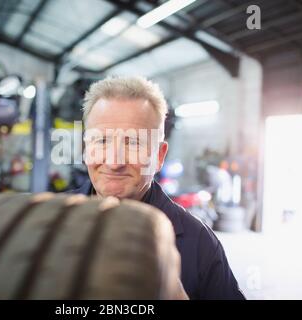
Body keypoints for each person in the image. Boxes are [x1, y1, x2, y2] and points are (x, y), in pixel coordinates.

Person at [71, 76, 245, 300]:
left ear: (160, 156)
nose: (114, 162)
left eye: (133, 143)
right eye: (102, 141)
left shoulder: (199, 243)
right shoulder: (47, 222)